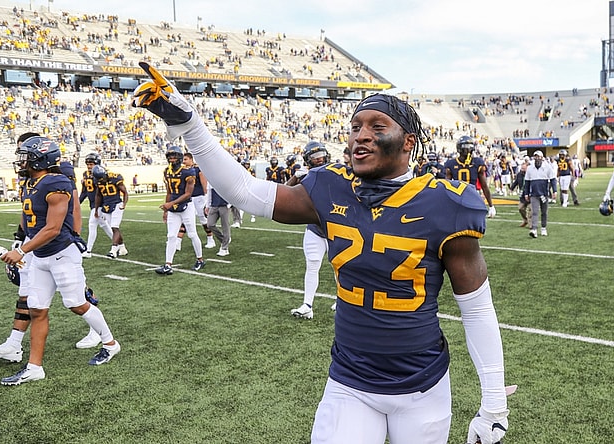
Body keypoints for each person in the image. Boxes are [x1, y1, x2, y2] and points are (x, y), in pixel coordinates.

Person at [133, 66, 509, 444]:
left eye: (378, 127)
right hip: (350, 380)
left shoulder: (446, 204)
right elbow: (246, 192)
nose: (361, 136)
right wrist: (191, 126)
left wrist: (493, 404)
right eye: (355, 126)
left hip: (422, 386)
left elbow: (476, 308)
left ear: (408, 141)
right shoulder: (331, 187)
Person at [0, 136, 120, 385]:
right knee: (37, 309)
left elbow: (53, 228)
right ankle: (34, 367)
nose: (22, 161)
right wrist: (21, 243)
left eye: (26, 156)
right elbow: (30, 220)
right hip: (40, 255)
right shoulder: (31, 182)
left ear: (40, 158)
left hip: (62, 254)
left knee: (76, 304)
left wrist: (22, 251)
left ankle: (110, 343)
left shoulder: (56, 183)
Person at [288, 141, 334, 320]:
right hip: (315, 229)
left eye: (321, 156)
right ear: (308, 160)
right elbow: (285, 192)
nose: (319, 160)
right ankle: (307, 305)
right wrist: (295, 178)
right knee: (312, 266)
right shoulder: (306, 177)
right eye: (314, 157)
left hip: (335, 228)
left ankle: (343, 300)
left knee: (340, 267)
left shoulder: (336, 173)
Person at [155, 146, 206, 275]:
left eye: (174, 156)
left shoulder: (188, 172)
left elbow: (188, 193)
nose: (172, 159)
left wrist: (171, 203)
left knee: (192, 234)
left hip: (186, 206)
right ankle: (168, 265)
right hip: (173, 208)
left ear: (179, 157)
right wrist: (166, 209)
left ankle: (200, 260)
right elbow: (169, 191)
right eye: (170, 157)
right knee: (171, 236)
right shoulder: (167, 171)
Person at [445, 135, 496, 218]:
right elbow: (446, 186)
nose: (468, 149)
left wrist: (491, 205)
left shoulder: (477, 162)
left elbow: (484, 185)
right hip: (458, 197)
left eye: (470, 146)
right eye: (465, 146)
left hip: (472, 196)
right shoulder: (451, 164)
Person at [79, 152, 114, 258]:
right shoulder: (85, 174)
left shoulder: (100, 174)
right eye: (88, 164)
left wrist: (102, 206)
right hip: (92, 203)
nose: (89, 166)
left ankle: (88, 250)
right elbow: (84, 191)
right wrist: (77, 203)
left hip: (99, 204)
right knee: (104, 225)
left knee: (92, 224)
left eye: (91, 164)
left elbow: (102, 192)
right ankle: (119, 244)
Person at [92, 165, 129, 257]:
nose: (102, 180)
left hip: (117, 204)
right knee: (114, 229)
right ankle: (122, 247)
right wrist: (96, 209)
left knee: (114, 227)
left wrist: (124, 203)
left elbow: (125, 192)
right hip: (106, 206)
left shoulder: (115, 178)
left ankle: (113, 250)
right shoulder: (97, 181)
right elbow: (98, 195)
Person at [183, 152, 216, 249]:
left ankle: (210, 238)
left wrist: (206, 198)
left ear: (191, 159)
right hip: (189, 197)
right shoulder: (183, 171)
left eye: (185, 159)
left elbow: (204, 185)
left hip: (199, 196)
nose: (184, 161)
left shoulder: (197, 170)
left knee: (203, 218)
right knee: (186, 218)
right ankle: (178, 241)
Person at [523, 151, 556, 237]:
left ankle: (543, 228)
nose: (537, 158)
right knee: (534, 212)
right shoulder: (530, 168)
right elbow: (527, 182)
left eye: (538, 157)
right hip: (534, 194)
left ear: (542, 157)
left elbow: (553, 179)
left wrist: (555, 191)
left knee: (544, 212)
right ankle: (534, 229)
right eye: (535, 157)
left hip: (544, 194)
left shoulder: (547, 167)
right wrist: (526, 193)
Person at [205, 183, 231, 257]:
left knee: (225, 226)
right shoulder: (210, 180)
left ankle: (224, 248)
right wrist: (207, 205)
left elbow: (230, 192)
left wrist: (229, 205)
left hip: (224, 205)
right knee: (210, 224)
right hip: (214, 205)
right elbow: (209, 192)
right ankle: (224, 240)